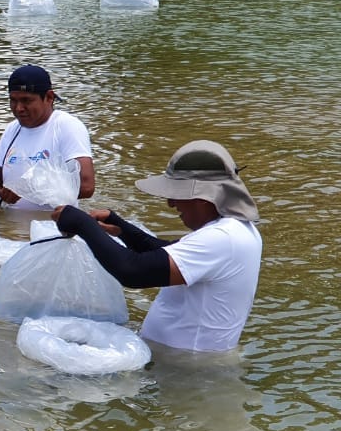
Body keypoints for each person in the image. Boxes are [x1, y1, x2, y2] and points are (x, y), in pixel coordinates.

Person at [52, 140, 262, 353]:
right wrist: (122, 228)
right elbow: (168, 255)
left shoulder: (222, 238)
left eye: (178, 194)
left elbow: (132, 272)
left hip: (187, 368)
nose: (171, 203)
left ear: (203, 198)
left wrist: (81, 222)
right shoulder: (236, 230)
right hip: (184, 361)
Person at [0, 64, 95, 210]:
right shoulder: (12, 129)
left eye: (26, 100)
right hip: (10, 228)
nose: (18, 108)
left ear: (49, 97)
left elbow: (86, 187)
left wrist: (27, 189)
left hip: (51, 228)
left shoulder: (67, 126)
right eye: (13, 100)